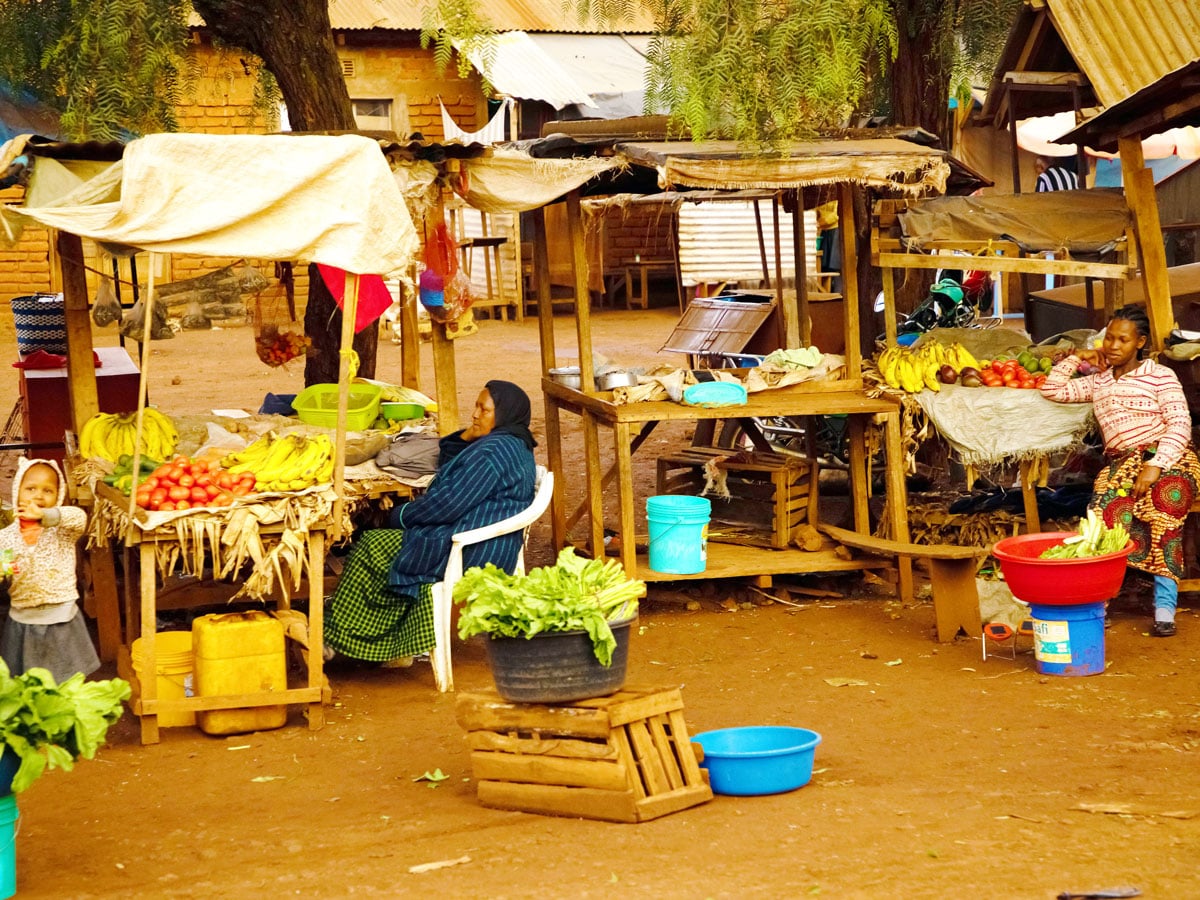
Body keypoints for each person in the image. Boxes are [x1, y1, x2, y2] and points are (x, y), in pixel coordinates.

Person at [324, 380, 537, 664]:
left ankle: (344, 637)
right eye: (475, 406)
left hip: (474, 549)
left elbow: (447, 505)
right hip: (480, 537)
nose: (474, 415)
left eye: (483, 410)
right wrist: (464, 438)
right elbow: (450, 462)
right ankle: (374, 637)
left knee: (373, 544)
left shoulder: (493, 453)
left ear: (505, 415)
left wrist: (399, 516)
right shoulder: (509, 442)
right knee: (382, 543)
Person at [1040, 306, 1200, 637]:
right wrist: (1077, 357)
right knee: (1106, 510)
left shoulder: (1160, 375)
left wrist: (1156, 466)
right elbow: (1052, 390)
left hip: (1172, 455)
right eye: (1109, 338)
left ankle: (1164, 607)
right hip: (1122, 462)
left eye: (1122, 340)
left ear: (1139, 342)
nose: (1113, 345)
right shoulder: (1098, 382)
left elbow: (1180, 423)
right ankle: (1099, 599)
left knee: (1164, 503)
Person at [0, 457, 99, 680]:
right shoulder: (5, 538)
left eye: (48, 490)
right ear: (17, 491)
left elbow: (78, 518)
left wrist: (45, 516)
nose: (38, 495)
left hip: (61, 620)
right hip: (24, 621)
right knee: (27, 683)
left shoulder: (61, 532)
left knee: (66, 682)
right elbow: (5, 568)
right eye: (30, 488)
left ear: (58, 496)